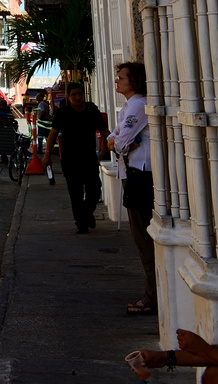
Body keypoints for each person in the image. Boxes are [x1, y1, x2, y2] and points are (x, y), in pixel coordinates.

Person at [109, 61, 156, 316]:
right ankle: (152, 293)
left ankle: (152, 296)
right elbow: (112, 140)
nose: (117, 81)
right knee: (141, 238)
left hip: (140, 175)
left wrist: (120, 143)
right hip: (132, 173)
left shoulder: (138, 105)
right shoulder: (128, 107)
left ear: (134, 81)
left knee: (144, 239)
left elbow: (119, 142)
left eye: (121, 77)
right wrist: (120, 142)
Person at [45, 80, 108, 233]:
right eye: (74, 95)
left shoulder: (92, 110)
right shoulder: (63, 113)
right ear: (68, 97)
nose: (78, 97)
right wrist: (47, 154)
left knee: (95, 190)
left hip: (89, 158)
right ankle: (81, 224)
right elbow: (53, 134)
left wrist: (108, 148)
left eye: (80, 94)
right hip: (70, 160)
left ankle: (87, 213)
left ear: (84, 95)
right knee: (76, 194)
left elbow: (104, 131)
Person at [35, 89, 57, 185]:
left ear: (40, 97)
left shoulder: (41, 104)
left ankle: (40, 149)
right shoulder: (44, 103)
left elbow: (43, 112)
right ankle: (51, 148)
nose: (36, 98)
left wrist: (39, 119)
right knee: (47, 137)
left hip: (43, 123)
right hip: (46, 123)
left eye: (37, 97)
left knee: (40, 137)